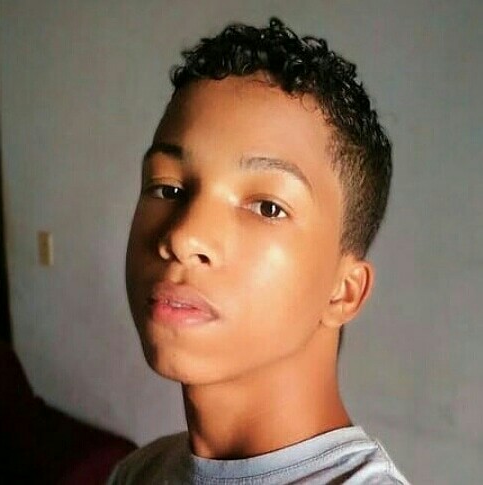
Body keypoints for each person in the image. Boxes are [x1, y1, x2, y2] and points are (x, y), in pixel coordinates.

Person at [108, 17, 409, 484]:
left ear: (344, 292)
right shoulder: (139, 472)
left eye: (267, 207)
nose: (184, 237)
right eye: (167, 189)